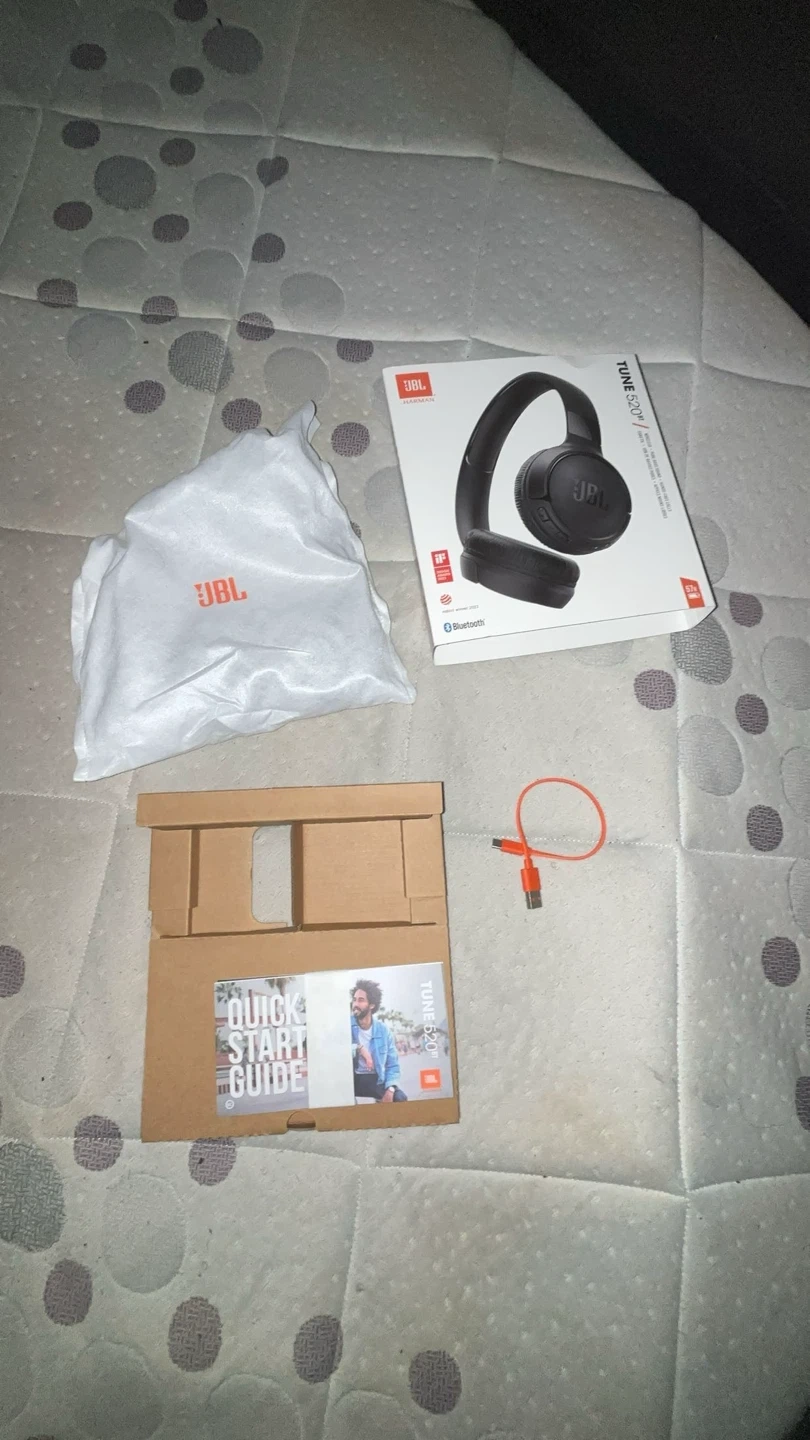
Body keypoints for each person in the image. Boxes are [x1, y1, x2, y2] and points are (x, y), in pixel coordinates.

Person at [350, 979, 407, 1102]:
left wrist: (390, 1089)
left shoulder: (383, 1031)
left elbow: (393, 1065)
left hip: (376, 1080)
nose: (355, 1004)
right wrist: (359, 1048)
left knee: (400, 1098)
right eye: (354, 999)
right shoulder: (346, 1025)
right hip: (352, 1080)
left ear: (372, 1005)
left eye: (361, 1000)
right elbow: (336, 1048)